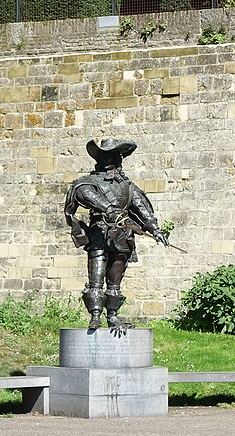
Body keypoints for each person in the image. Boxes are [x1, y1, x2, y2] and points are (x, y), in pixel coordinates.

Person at [63, 138, 168, 333]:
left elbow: (141, 208)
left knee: (115, 280)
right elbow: (83, 194)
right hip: (99, 236)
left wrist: (155, 229)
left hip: (122, 237)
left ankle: (112, 316)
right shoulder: (89, 182)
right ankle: (95, 316)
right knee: (96, 277)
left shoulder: (128, 186)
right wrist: (109, 209)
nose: (112, 159)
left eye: (114, 155)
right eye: (107, 155)